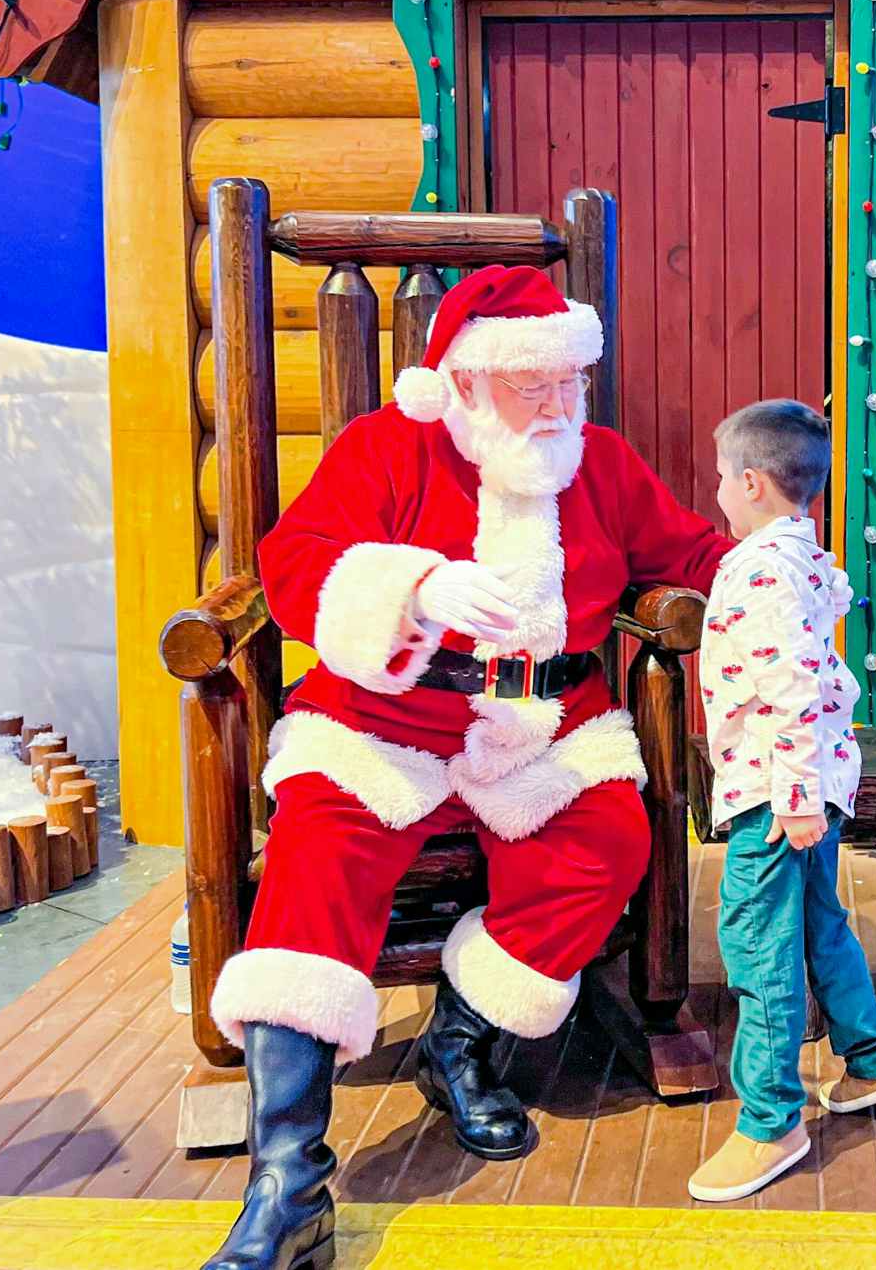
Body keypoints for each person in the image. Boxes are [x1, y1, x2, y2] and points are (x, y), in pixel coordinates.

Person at [201, 265, 734, 1270]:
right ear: (466, 384)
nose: (556, 406)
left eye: (567, 384)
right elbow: (295, 561)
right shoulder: (387, 449)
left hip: (539, 722)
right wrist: (414, 586)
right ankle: (287, 1179)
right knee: (318, 851)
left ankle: (460, 1044)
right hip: (384, 718)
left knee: (607, 841)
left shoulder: (601, 465)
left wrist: (776, 573)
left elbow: (691, 554)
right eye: (531, 388)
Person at [687, 399, 876, 1204]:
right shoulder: (807, 560)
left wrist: (791, 800)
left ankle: (770, 1122)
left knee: (757, 945)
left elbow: (788, 689)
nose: (716, 489)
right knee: (819, 926)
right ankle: (873, 1059)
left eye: (721, 477)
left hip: (776, 795)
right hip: (813, 784)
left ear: (751, 483)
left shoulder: (755, 569)